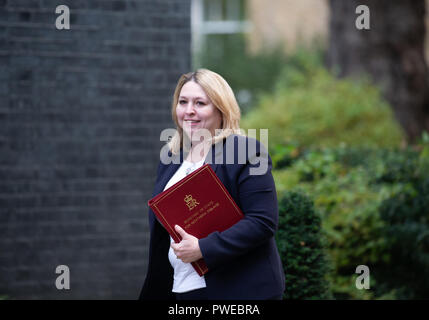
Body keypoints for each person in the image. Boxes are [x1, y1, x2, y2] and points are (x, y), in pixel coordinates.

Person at [139, 69, 285, 300]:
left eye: (200, 103)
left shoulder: (244, 151)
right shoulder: (172, 157)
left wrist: (203, 249)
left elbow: (262, 221)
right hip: (181, 288)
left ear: (220, 109)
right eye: (183, 102)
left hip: (236, 290)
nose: (189, 111)